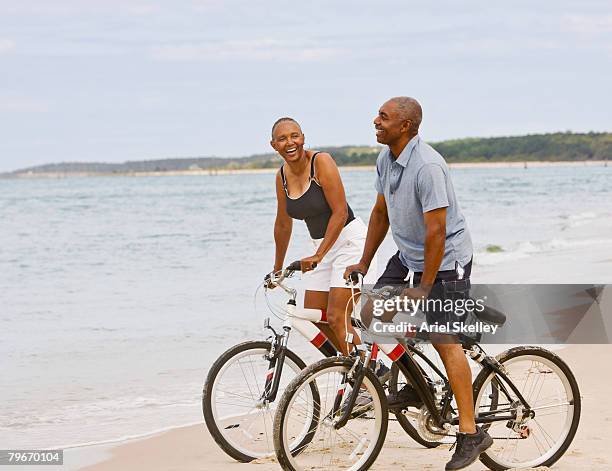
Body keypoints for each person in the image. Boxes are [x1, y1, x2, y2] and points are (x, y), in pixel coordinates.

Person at [344, 97, 493, 470]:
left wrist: (425, 288)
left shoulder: (428, 166)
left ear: (405, 126)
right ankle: (417, 381)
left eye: (384, 117)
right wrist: (364, 260)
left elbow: (437, 232)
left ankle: (471, 432)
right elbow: (380, 213)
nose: (375, 121)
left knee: (445, 340)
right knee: (370, 310)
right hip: (409, 255)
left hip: (447, 261)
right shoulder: (386, 160)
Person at [268, 117, 377, 356]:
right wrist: (277, 270)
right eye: (282, 138)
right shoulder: (281, 177)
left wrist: (319, 254)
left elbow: (340, 212)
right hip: (320, 247)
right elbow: (283, 224)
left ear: (303, 138)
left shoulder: (321, 161)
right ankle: (357, 370)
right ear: (273, 145)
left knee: (338, 316)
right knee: (316, 318)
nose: (290, 142)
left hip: (349, 242)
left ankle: (371, 374)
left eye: (295, 135)